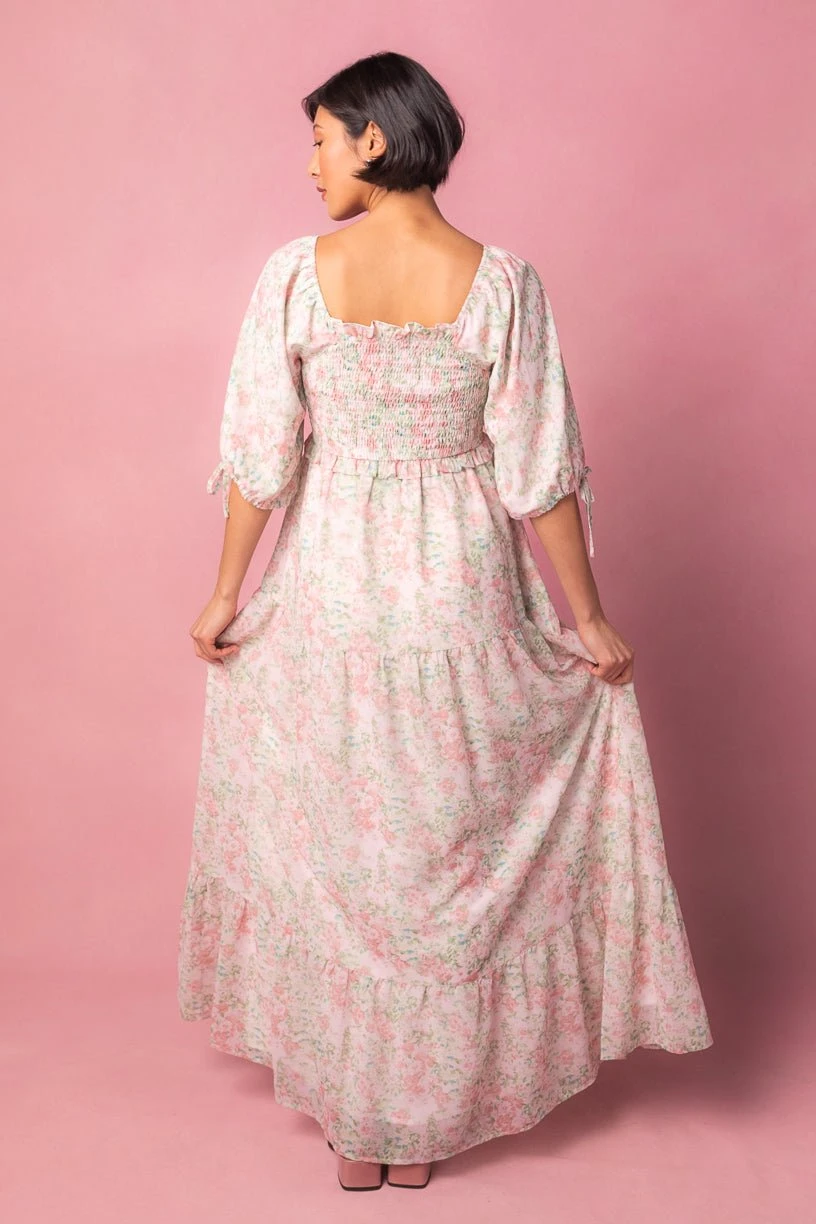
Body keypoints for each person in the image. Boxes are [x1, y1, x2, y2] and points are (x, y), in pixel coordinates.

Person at [178, 50, 713, 1193]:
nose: (309, 162)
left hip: (334, 587)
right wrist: (587, 619)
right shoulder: (502, 282)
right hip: (459, 586)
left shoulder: (296, 275)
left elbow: (262, 458)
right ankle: (420, 1119)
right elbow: (538, 470)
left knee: (347, 844)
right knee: (443, 843)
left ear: (374, 138)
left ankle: (361, 1123)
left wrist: (227, 592)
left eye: (320, 138)